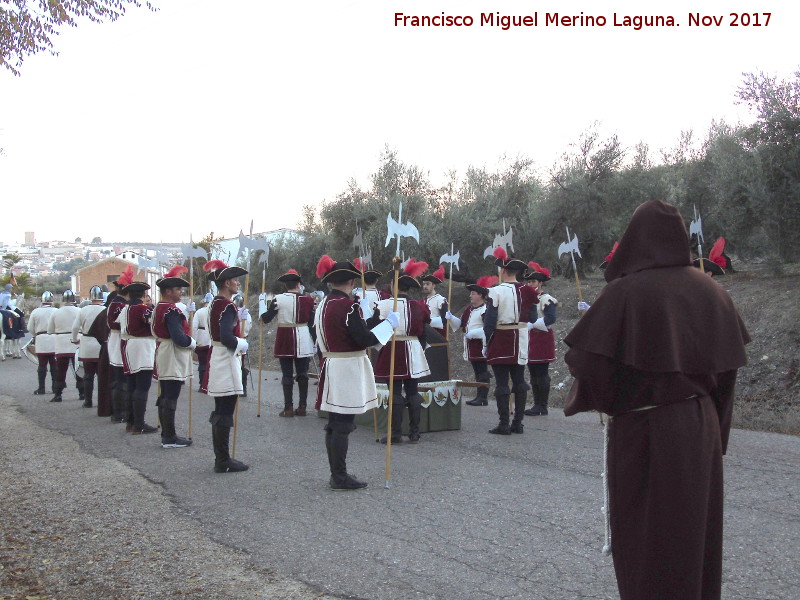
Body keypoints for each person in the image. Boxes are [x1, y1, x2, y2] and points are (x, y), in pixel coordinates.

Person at [563, 199, 750, 600]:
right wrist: (716, 435)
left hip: (646, 429)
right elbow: (727, 376)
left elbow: (585, 361)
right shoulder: (712, 290)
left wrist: (611, 398)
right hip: (701, 430)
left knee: (648, 541)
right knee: (694, 540)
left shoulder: (626, 292)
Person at [314, 255, 399, 489]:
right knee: (342, 424)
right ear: (352, 282)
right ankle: (339, 476)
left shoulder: (322, 304)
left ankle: (337, 473)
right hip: (346, 368)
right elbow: (364, 339)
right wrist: (388, 326)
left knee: (334, 423)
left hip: (330, 364)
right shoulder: (347, 306)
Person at [374, 258, 431, 444]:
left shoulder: (384, 305)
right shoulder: (419, 306)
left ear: (393, 285)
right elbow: (425, 325)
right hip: (413, 348)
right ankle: (415, 433)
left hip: (394, 348)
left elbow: (375, 327)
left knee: (395, 392)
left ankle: (396, 433)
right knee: (413, 391)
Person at [483, 247, 539, 435]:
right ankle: (518, 423)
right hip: (521, 338)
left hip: (501, 338)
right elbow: (532, 318)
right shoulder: (529, 291)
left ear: (503, 271)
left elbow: (489, 321)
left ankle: (504, 423)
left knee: (501, 383)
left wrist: (486, 342)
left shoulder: (495, 291)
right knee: (519, 381)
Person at [203, 259, 250, 473]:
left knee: (221, 409)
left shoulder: (214, 303)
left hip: (218, 356)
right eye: (236, 281)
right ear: (228, 282)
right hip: (225, 356)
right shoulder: (227, 305)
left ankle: (222, 458)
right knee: (224, 409)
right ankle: (222, 460)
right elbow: (225, 336)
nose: (238, 284)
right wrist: (241, 343)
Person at [258, 268, 315, 417]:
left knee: (287, 374)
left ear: (285, 285)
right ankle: (302, 406)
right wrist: (315, 342)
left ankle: (288, 408)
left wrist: (262, 304)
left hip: (285, 338)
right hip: (303, 338)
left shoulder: (278, 299)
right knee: (303, 373)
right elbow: (312, 324)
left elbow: (266, 318)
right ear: (298, 284)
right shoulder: (309, 300)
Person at [152, 266, 196, 448]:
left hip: (164, 350)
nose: (181, 293)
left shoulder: (159, 308)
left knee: (166, 395)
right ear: (168, 291)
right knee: (170, 396)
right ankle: (169, 437)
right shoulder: (171, 310)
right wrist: (191, 342)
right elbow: (178, 337)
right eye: (178, 289)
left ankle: (167, 434)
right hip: (172, 353)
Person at [445, 276, 496, 406]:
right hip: (470, 345)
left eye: (473, 294)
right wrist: (450, 317)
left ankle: (483, 397)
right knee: (477, 371)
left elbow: (488, 329)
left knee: (483, 371)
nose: (470, 296)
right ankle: (479, 395)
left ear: (480, 295)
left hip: (481, 344)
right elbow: (461, 325)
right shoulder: (469, 309)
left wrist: (474, 333)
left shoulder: (485, 310)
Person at [118, 278, 158, 434]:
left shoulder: (124, 309)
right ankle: (139, 423)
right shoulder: (141, 309)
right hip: (142, 347)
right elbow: (152, 323)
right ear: (143, 294)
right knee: (142, 386)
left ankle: (131, 421)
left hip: (128, 345)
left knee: (132, 385)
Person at [523, 263, 558, 416]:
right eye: (529, 282)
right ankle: (537, 404)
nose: (531, 284)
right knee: (532, 373)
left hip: (542, 337)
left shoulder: (546, 299)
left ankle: (542, 406)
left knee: (541, 373)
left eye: (533, 282)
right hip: (529, 337)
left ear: (540, 283)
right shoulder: (527, 299)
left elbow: (551, 318)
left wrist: (533, 325)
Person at [71, 286, 106, 409]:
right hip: (101, 345)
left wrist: (74, 339)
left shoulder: (83, 310)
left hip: (86, 344)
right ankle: (103, 403)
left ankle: (88, 401)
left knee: (88, 375)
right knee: (102, 376)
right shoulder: (105, 309)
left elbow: (75, 327)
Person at [108, 265, 133, 423]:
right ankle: (119, 412)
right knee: (120, 380)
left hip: (119, 340)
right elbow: (116, 324)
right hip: (119, 340)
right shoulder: (119, 305)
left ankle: (120, 410)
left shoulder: (117, 304)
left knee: (120, 379)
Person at [47, 290, 80, 403]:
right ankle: (82, 393)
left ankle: (58, 394)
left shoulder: (56, 312)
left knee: (60, 370)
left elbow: (50, 330)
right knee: (79, 369)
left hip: (61, 343)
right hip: (77, 343)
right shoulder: (79, 311)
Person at [28, 291, 58, 395]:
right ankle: (55, 387)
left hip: (41, 339)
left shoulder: (35, 312)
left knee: (42, 365)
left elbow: (30, 328)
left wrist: (35, 335)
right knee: (54, 365)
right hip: (54, 339)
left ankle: (41, 388)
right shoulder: (56, 311)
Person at [192, 292, 213, 391]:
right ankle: (208, 383)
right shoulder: (214, 311)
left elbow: (194, 327)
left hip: (201, 339)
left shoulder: (199, 312)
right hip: (211, 339)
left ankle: (202, 384)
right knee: (209, 363)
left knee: (202, 363)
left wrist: (194, 341)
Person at [233, 294, 252, 396]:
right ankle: (241, 388)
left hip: (237, 341)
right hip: (241, 340)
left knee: (238, 364)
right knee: (241, 364)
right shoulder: (245, 313)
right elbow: (248, 327)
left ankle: (241, 387)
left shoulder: (242, 313)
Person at [421, 266, 447, 337]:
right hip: (425, 335)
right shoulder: (422, 301)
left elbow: (444, 320)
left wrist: (429, 322)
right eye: (424, 284)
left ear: (433, 285)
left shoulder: (441, 300)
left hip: (437, 335)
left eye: (427, 284)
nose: (425, 286)